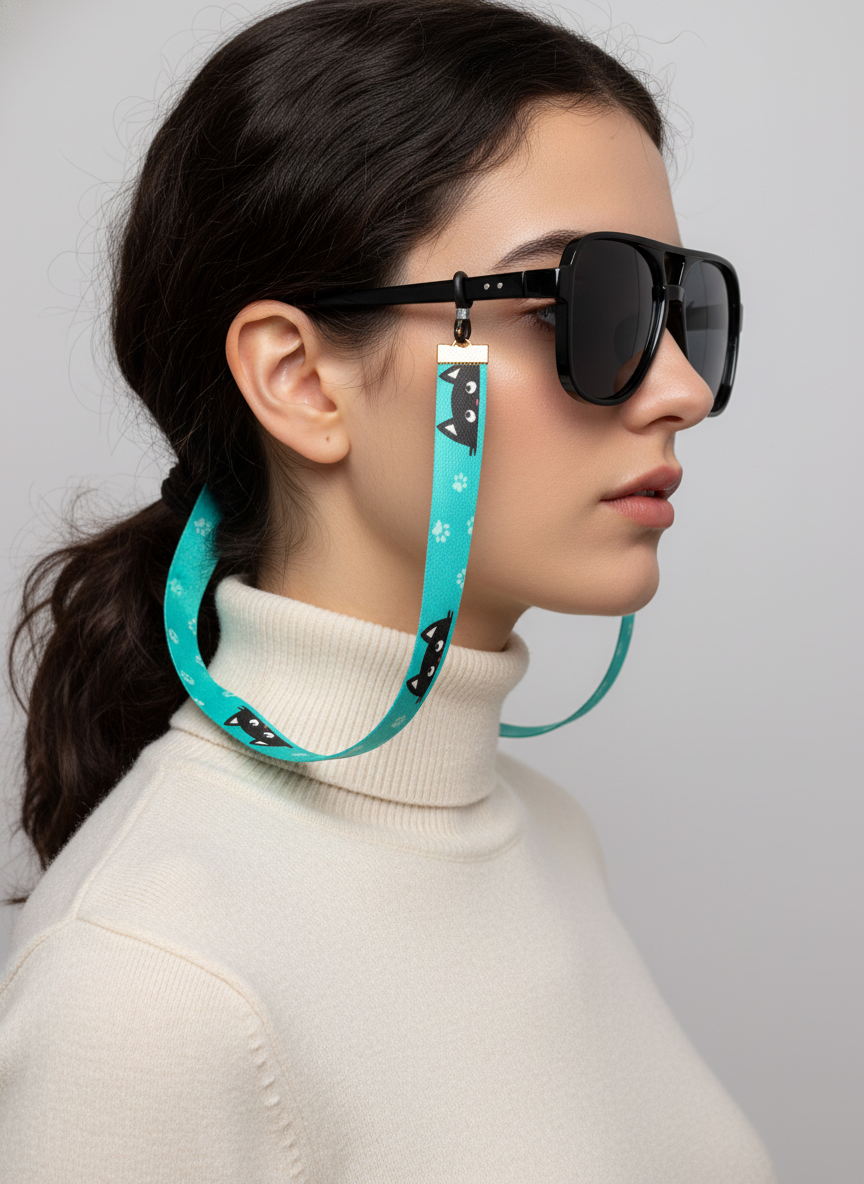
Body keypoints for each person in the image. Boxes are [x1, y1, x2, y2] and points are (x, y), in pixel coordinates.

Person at [0, 0, 777, 1179]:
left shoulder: (548, 835)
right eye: (582, 305)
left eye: (682, 309)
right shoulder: (147, 988)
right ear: (302, 379)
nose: (681, 389)